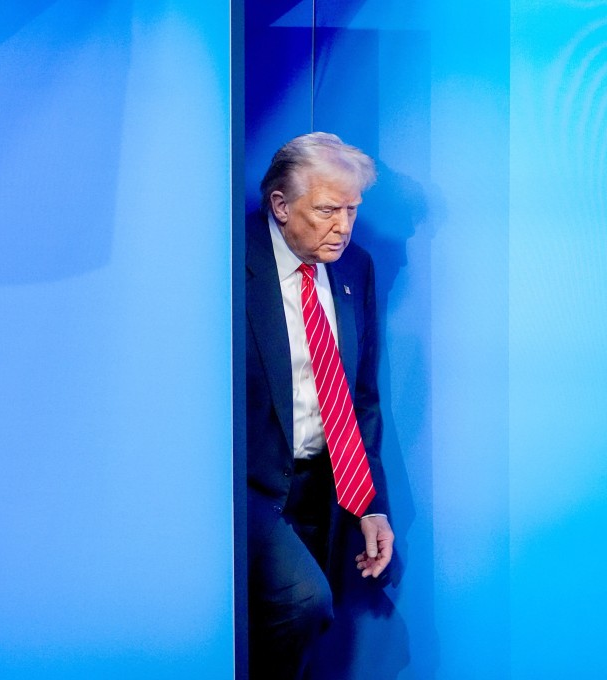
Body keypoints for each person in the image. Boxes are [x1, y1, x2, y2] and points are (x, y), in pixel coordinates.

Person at [246, 132, 394, 678]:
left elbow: (360, 397)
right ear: (281, 206)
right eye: (329, 210)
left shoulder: (355, 269)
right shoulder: (232, 262)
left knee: (304, 628)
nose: (344, 226)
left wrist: (370, 503)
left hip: (324, 487)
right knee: (303, 602)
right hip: (249, 490)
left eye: (353, 209)